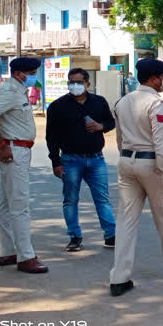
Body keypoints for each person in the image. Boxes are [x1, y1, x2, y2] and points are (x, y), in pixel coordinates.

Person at [109, 58, 163, 297]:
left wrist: (128, 159)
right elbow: (162, 144)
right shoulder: (156, 104)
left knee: (126, 221)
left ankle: (119, 277)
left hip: (126, 161)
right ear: (154, 78)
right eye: (162, 78)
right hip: (153, 165)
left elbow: (119, 139)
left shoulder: (123, 101)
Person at [0, 57, 48, 273]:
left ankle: (7, 251)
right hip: (13, 150)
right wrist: (1, 144)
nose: (34, 77)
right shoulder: (10, 92)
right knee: (20, 206)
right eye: (32, 73)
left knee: (6, 204)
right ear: (20, 74)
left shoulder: (17, 90)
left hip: (17, 149)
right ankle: (26, 257)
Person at [46, 68, 116, 252]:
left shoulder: (99, 102)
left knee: (102, 198)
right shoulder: (58, 106)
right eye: (71, 82)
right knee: (70, 199)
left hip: (96, 159)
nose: (74, 86)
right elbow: (51, 137)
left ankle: (111, 235)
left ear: (87, 84)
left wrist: (101, 126)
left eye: (78, 82)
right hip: (70, 160)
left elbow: (111, 122)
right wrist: (56, 162)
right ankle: (74, 236)